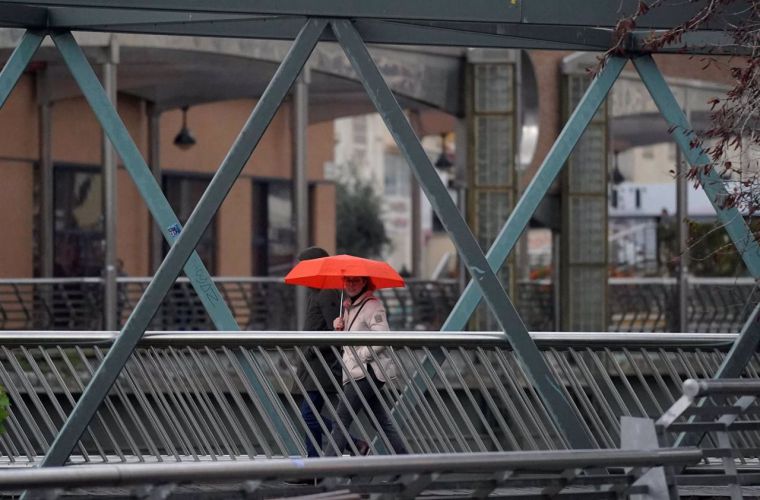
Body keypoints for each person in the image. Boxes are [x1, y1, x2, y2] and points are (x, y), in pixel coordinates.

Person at [294, 247, 368, 458]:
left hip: (322, 366)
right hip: (313, 365)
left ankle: (354, 444)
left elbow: (335, 333)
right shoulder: (316, 292)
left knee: (309, 415)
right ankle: (314, 465)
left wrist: (313, 347)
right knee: (311, 415)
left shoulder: (326, 294)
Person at [326, 275, 407, 456]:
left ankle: (323, 472)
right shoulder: (349, 308)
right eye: (348, 281)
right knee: (381, 421)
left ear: (364, 283)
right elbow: (347, 343)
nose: (351, 285)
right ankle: (407, 465)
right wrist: (338, 329)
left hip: (366, 372)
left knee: (341, 420)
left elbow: (383, 337)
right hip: (358, 372)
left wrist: (361, 355)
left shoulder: (372, 305)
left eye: (356, 281)